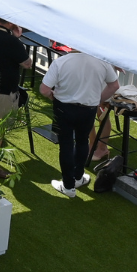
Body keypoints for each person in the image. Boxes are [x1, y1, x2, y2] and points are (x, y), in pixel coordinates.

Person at [40, 50, 120, 197]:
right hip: (88, 108)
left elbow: (44, 89)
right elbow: (114, 86)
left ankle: (68, 186)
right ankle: (78, 177)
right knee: (82, 141)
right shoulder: (103, 62)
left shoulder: (61, 62)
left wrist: (52, 96)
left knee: (66, 144)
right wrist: (98, 98)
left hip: (63, 108)